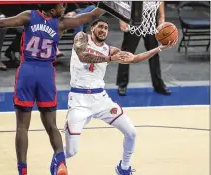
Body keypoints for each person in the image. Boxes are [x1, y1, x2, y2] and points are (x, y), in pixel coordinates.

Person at [0, 3, 105, 175]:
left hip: (27, 73)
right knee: (51, 125)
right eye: (61, 5)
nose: (65, 6)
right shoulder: (61, 23)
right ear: (52, 10)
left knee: (22, 127)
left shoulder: (28, 16)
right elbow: (91, 16)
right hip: (46, 74)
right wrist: (112, 6)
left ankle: (23, 171)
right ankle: (61, 162)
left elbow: (1, 23)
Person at [64, 18, 177, 175]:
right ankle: (58, 159)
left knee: (131, 133)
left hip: (101, 100)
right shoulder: (82, 37)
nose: (103, 30)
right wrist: (109, 59)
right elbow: (83, 56)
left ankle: (124, 168)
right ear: (92, 29)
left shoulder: (111, 50)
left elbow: (134, 58)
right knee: (71, 152)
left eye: (106, 28)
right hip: (79, 100)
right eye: (100, 27)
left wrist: (159, 48)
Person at [116, 2, 171, 96]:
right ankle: (122, 84)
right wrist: (121, 18)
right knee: (127, 51)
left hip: (150, 15)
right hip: (133, 13)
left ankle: (158, 84)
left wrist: (162, 15)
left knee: (154, 51)